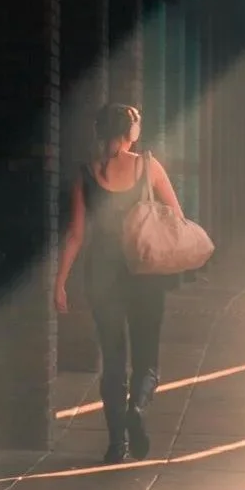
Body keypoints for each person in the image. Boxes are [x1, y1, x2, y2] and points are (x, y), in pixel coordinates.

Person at [53, 103, 184, 464]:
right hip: (145, 275)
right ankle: (137, 410)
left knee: (112, 359)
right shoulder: (149, 166)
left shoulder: (87, 174)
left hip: (102, 276)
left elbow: (77, 234)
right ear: (131, 132)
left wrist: (60, 281)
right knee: (147, 358)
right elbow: (176, 215)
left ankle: (116, 445)